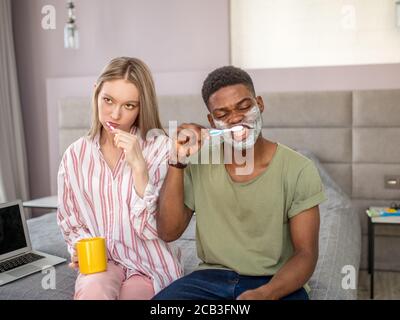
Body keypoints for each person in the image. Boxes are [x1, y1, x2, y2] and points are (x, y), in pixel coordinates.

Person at [154, 65, 327, 300]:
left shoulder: (299, 169)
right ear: (212, 121)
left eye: (244, 107)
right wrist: (177, 162)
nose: (235, 118)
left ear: (260, 104)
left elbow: (306, 254)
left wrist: (265, 294)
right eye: (222, 114)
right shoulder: (199, 163)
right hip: (209, 279)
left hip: (275, 282)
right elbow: (168, 231)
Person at [57, 57, 183, 300]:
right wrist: (79, 248)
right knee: (93, 291)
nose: (115, 114)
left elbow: (153, 230)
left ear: (141, 107)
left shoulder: (161, 150)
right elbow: (70, 220)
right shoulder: (75, 155)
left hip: (148, 264)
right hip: (101, 263)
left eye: (129, 106)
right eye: (108, 100)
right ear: (96, 93)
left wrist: (139, 168)